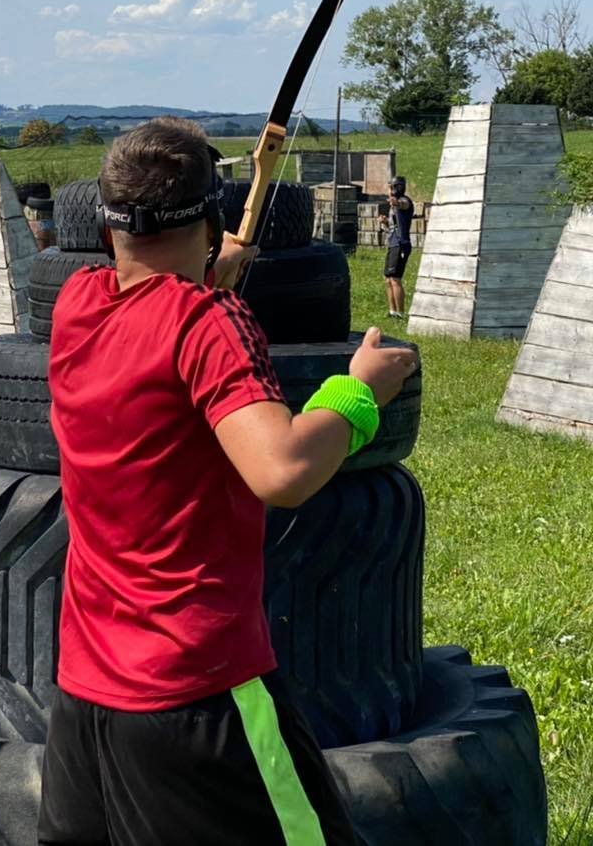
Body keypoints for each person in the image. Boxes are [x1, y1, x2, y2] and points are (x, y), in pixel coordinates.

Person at [39, 118, 418, 845]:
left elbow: (149, 295)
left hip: (86, 695)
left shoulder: (77, 306)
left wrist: (207, 266)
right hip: (198, 693)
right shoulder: (209, 321)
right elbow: (283, 469)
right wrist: (358, 391)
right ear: (210, 218)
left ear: (109, 219)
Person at [380, 176, 414, 320]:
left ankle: (400, 313)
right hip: (392, 243)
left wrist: (396, 202)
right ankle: (392, 311)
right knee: (388, 278)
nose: (389, 191)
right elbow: (393, 227)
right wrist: (385, 222)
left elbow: (403, 204)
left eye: (391, 188)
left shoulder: (405, 201)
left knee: (395, 279)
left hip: (401, 244)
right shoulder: (392, 208)